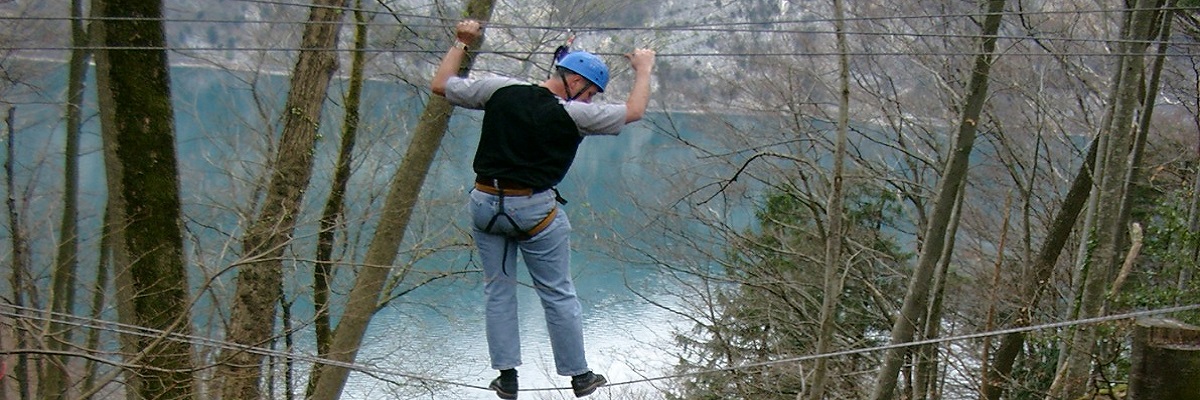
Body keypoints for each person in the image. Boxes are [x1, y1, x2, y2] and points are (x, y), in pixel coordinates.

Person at [431, 19, 655, 399]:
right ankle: (579, 376)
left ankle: (508, 378)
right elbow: (634, 111)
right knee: (557, 292)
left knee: (497, 290)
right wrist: (645, 67)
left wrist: (461, 42)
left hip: (486, 204)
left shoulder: (499, 89)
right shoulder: (575, 115)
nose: (590, 102)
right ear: (575, 82)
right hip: (534, 212)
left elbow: (441, 85)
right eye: (591, 93)